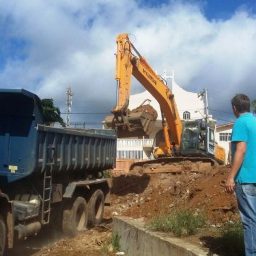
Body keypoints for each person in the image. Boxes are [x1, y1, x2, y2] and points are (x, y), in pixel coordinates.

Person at [226, 94, 256, 256]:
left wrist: (231, 177)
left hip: (246, 180)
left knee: (250, 221)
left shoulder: (240, 123)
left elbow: (241, 150)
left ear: (234, 108)